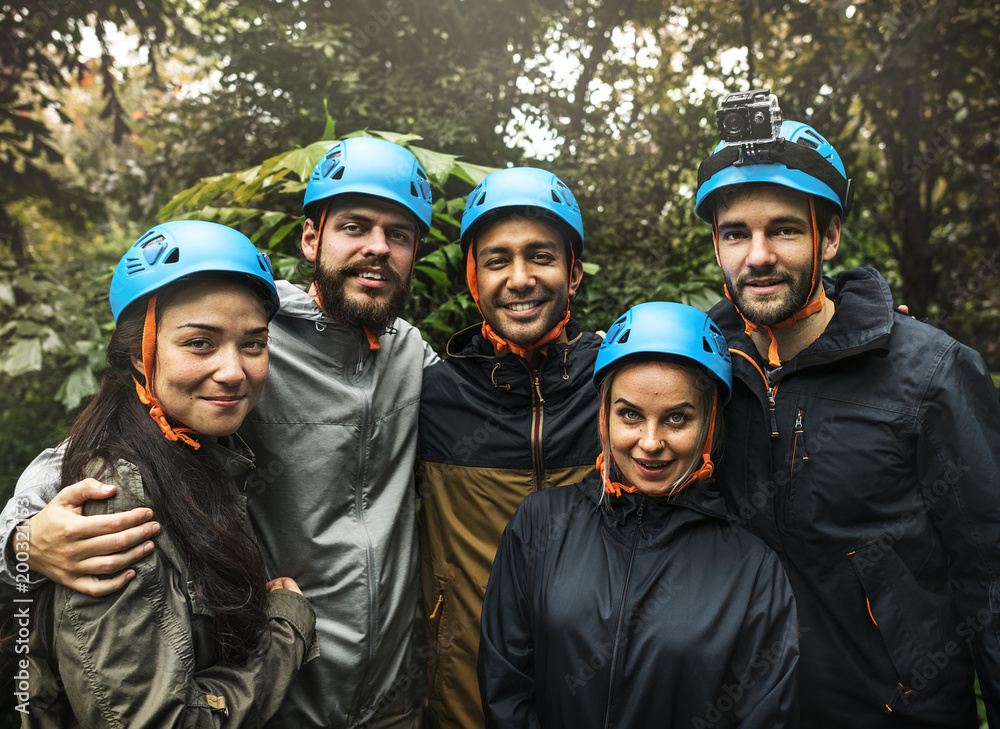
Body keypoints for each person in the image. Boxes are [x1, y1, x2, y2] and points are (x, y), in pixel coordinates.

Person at [1, 137, 439, 728]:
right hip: (273, 697)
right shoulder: (251, 327)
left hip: (383, 703)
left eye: (400, 235)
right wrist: (22, 541)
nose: (377, 249)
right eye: (355, 227)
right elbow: (95, 454)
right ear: (313, 238)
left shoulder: (412, 356)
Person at [695, 100, 1000, 726]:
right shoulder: (701, 371)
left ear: (828, 237)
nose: (756, 255)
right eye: (735, 233)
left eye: (783, 229)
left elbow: (989, 572)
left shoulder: (932, 372)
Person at [15, 220, 318, 726]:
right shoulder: (115, 498)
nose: (233, 371)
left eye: (253, 343)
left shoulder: (202, 453)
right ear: (140, 352)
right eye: (199, 343)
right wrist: (287, 629)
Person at [477, 301, 799, 728]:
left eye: (677, 419)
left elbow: (763, 715)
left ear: (710, 423)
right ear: (604, 415)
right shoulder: (539, 524)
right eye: (630, 414)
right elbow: (506, 684)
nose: (650, 442)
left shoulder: (753, 569)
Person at [418, 167, 602, 729]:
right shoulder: (430, 396)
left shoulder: (617, 384)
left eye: (540, 257)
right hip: (465, 698)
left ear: (572, 273)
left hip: (600, 691)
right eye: (497, 260)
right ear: (474, 277)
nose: (519, 279)